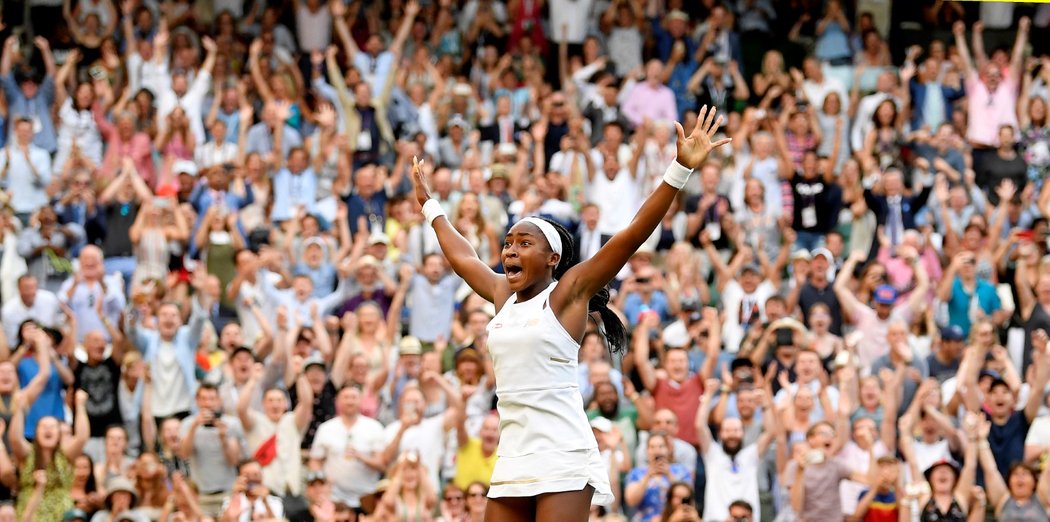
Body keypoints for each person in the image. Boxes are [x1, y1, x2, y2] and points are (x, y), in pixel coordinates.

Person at [409, 105, 731, 520]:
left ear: (552, 258)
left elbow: (632, 234)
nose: (510, 250)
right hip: (513, 453)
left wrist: (679, 170)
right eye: (508, 243)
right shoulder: (501, 293)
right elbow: (463, 256)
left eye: (524, 243)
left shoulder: (569, 294)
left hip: (562, 452)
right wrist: (430, 207)